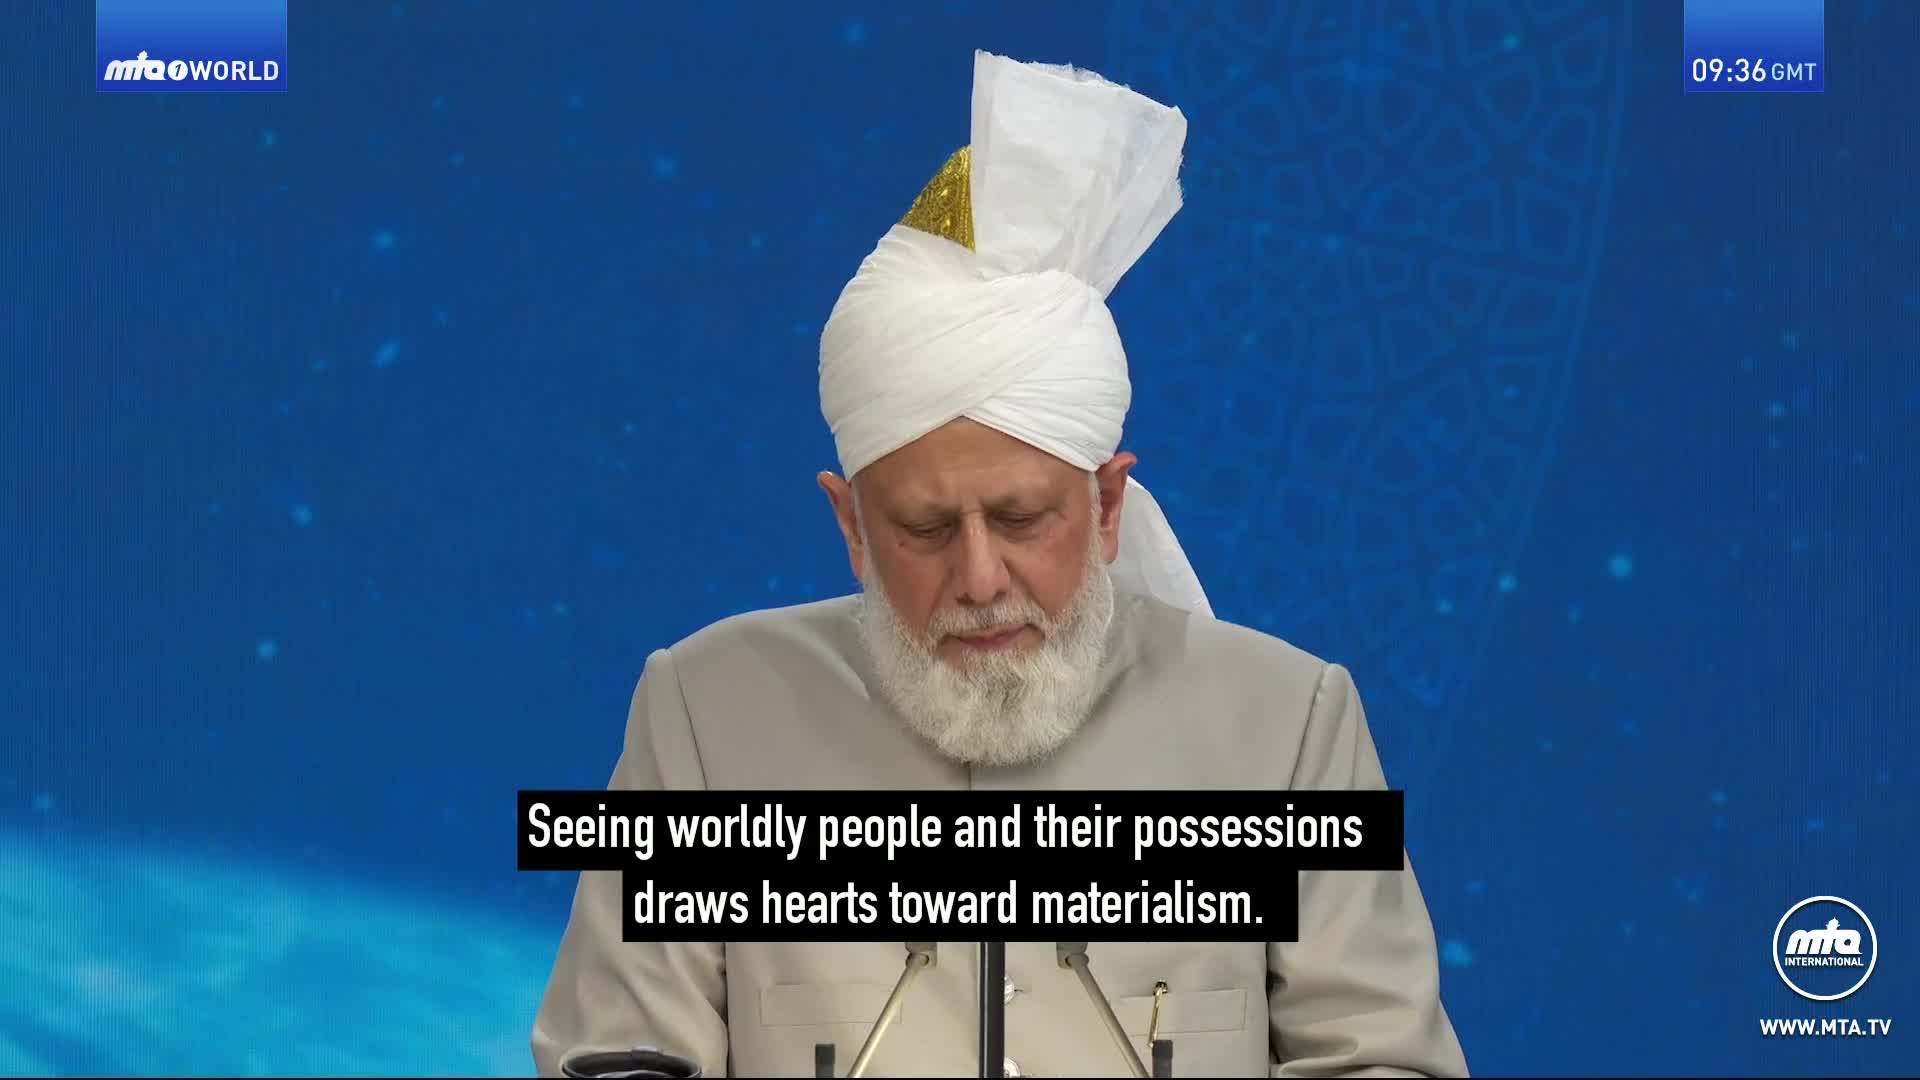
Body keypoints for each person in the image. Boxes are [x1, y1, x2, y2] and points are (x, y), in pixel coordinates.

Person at [531, 50, 1469, 1079]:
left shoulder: (1290, 727)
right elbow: (619, 1058)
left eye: (1022, 518)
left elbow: (1384, 1063)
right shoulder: (707, 715)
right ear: (849, 525)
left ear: (1107, 504)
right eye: (926, 529)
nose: (979, 580)